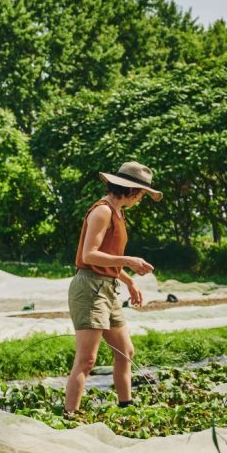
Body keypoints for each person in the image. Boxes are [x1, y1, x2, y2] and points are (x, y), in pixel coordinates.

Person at [64, 162, 162, 415]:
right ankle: (70, 415)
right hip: (89, 288)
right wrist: (129, 260)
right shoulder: (102, 211)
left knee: (125, 351)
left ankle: (125, 407)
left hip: (108, 287)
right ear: (130, 190)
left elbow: (108, 258)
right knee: (87, 360)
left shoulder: (118, 213)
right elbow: (90, 255)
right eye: (141, 193)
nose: (141, 198)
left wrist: (129, 281)